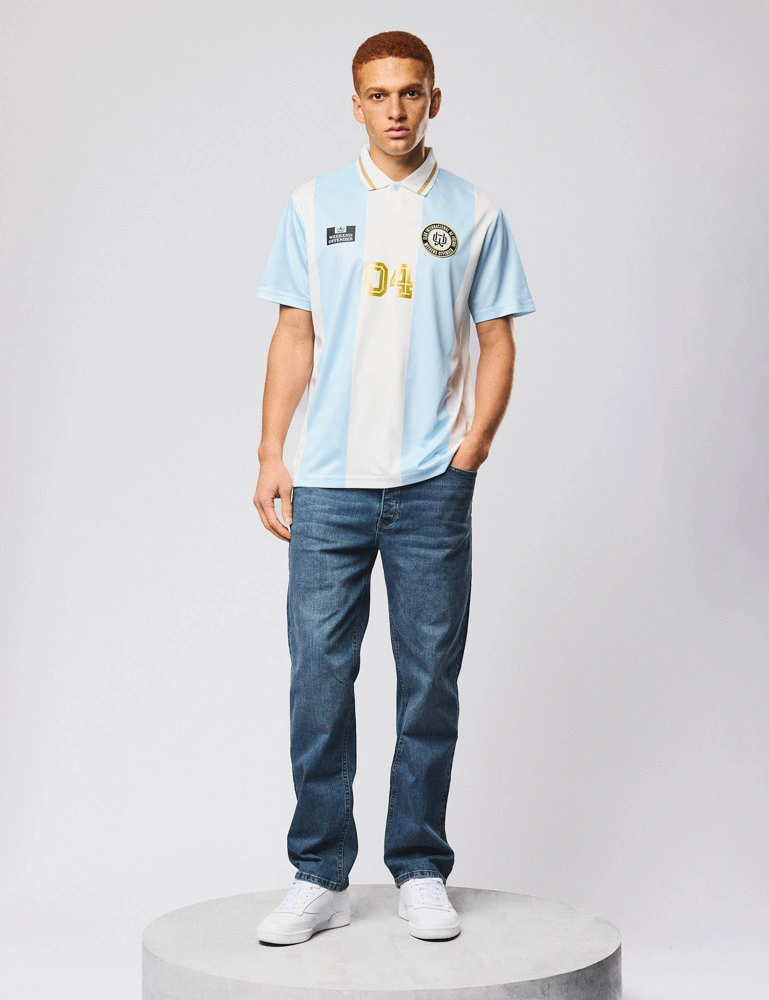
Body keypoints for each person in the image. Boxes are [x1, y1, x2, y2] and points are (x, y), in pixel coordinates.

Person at [252, 29, 535, 945]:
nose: (396, 110)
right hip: (328, 484)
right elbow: (294, 333)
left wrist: (472, 447)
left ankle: (418, 867)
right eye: (378, 95)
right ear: (355, 105)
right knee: (318, 682)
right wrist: (270, 453)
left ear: (433, 99)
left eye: (410, 92)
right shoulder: (312, 206)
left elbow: (497, 338)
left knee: (428, 686)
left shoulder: (474, 212)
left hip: (428, 489)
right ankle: (318, 873)